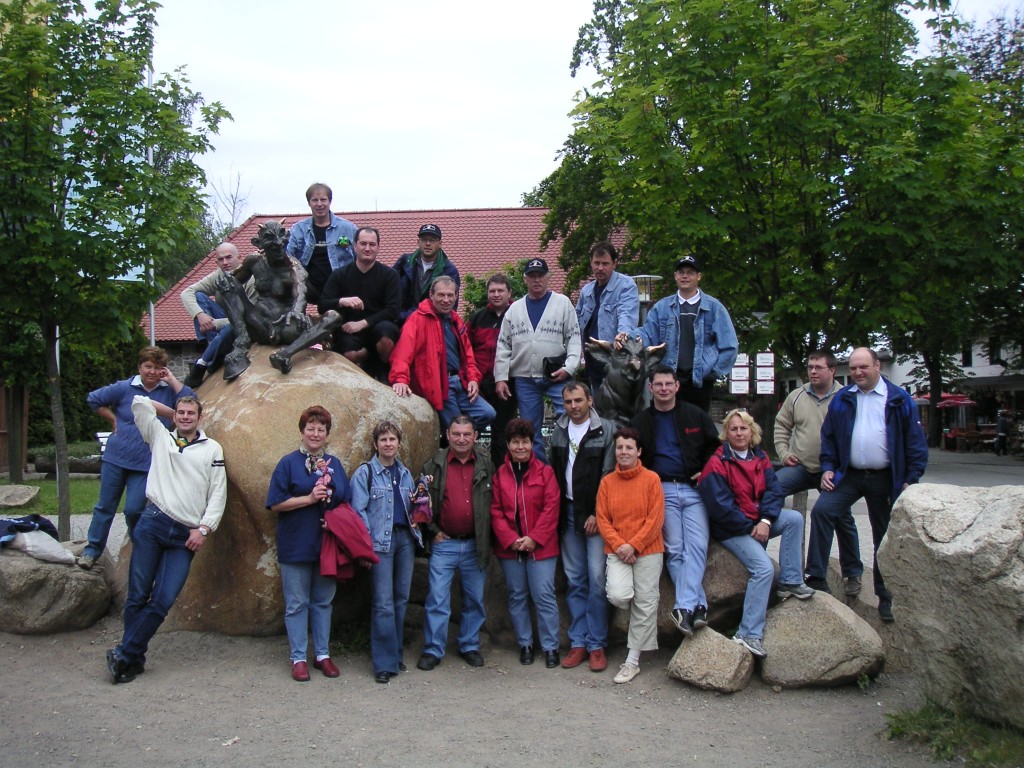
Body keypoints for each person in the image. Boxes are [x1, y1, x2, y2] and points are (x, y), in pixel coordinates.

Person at [104, 394, 226, 684]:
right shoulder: (159, 437)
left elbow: (218, 493)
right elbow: (137, 403)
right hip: (153, 523)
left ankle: (125, 653)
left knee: (163, 599)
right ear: (174, 416)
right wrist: (170, 410)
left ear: (201, 417)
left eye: (191, 413)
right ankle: (131, 660)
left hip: (185, 534)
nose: (185, 417)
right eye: (181, 413)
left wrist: (205, 528)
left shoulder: (212, 449)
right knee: (137, 595)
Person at [808, 347, 929, 623]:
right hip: (848, 474)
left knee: (882, 535)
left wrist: (911, 478)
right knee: (823, 511)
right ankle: (816, 578)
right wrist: (827, 468)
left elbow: (915, 443)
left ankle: (885, 596)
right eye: (852, 368)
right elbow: (828, 437)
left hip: (886, 476)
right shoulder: (844, 399)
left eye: (863, 367)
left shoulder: (898, 399)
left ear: (877, 366)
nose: (857, 373)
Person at [699, 409, 815, 659]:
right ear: (726, 433)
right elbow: (720, 506)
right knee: (763, 569)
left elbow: (774, 492)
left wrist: (764, 520)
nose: (739, 433)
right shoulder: (717, 463)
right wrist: (751, 527)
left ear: (752, 431)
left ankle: (791, 581)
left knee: (794, 518)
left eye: (743, 428)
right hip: (733, 529)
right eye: (733, 429)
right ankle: (748, 632)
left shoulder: (760, 458)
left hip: (757, 521)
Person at [79, 346, 193, 571]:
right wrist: (113, 418)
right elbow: (93, 399)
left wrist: (171, 379)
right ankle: (92, 550)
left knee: (134, 509)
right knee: (105, 507)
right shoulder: (124, 388)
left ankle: (136, 542)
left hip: (146, 461)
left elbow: (191, 401)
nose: (151, 371)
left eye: (157, 368)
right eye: (147, 366)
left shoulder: (167, 392)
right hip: (116, 457)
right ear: (139, 366)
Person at [631, 366, 719, 635]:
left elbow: (715, 447)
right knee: (676, 549)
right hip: (662, 490)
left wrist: (704, 470)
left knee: (698, 546)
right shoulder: (641, 421)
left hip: (693, 490)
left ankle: (685, 608)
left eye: (669, 384)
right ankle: (697, 606)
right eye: (659, 384)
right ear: (651, 388)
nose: (664, 389)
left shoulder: (694, 414)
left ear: (677, 387)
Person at [266, 405, 351, 682]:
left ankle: (323, 654)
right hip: (296, 542)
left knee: (323, 601)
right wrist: (309, 499)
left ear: (327, 435)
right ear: (302, 431)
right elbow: (276, 503)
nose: (315, 434)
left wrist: (334, 520)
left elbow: (345, 501)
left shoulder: (335, 465)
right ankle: (298, 657)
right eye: (311, 428)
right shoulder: (288, 464)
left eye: (321, 429)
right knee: (296, 603)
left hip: (326, 544)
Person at [773, 350, 861, 595]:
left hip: (833, 470)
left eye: (818, 367)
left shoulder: (846, 397)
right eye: (810, 367)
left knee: (840, 515)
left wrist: (840, 468)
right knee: (770, 489)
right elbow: (781, 425)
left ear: (832, 370)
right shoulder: (797, 396)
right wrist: (783, 452)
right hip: (801, 466)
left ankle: (852, 572)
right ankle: (761, 547)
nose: (813, 371)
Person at [416, 416, 495, 671]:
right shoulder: (433, 466)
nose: (461, 439)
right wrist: (433, 530)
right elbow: (420, 503)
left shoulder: (487, 465)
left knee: (474, 599)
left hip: (476, 544)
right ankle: (433, 649)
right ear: (447, 435)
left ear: (475, 437)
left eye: (467, 434)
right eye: (456, 434)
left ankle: (469, 645)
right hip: (444, 544)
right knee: (437, 598)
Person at [547, 382, 615, 672]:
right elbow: (553, 473)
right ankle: (578, 642)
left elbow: (609, 474)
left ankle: (597, 644)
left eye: (578, 400)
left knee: (597, 580)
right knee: (575, 579)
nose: (573, 406)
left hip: (594, 516)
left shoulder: (605, 429)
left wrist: (598, 514)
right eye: (567, 402)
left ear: (590, 400)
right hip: (569, 513)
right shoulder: (559, 430)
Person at [351, 421, 420, 684]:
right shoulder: (365, 474)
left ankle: (396, 654)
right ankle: (382, 662)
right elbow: (358, 512)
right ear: (376, 444)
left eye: (392, 439)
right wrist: (366, 546)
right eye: (383, 440)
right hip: (380, 543)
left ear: (399, 444)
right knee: (382, 603)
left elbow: (412, 506)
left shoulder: (404, 473)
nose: (388, 444)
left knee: (401, 599)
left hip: (405, 540)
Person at [491, 418, 562, 668]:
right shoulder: (500, 475)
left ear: (532, 444)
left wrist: (534, 538)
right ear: (508, 445)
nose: (520, 447)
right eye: (515, 442)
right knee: (517, 595)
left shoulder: (545, 472)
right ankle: (525, 644)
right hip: (510, 548)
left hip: (541, 548)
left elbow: (552, 507)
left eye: (525, 442)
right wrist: (510, 539)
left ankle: (551, 646)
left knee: (543, 595)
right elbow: (496, 510)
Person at [625, 254, 737, 412]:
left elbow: (730, 346)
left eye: (690, 272)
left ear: (699, 276)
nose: (685, 276)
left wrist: (713, 373)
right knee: (666, 428)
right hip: (668, 381)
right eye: (681, 272)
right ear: (675, 276)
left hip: (700, 383)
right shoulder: (662, 307)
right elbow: (647, 334)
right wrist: (626, 337)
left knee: (695, 432)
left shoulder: (714, 308)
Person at [596, 427, 664, 684]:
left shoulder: (652, 480)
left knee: (645, 604)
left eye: (629, 448)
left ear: (639, 451)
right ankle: (637, 615)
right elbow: (603, 519)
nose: (623, 452)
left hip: (647, 549)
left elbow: (655, 519)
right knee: (618, 594)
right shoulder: (607, 483)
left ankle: (632, 661)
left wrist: (634, 545)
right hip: (618, 549)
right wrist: (621, 546)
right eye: (620, 448)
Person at [494, 258, 582, 457]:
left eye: (540, 276)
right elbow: (503, 345)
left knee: (569, 418)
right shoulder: (514, 309)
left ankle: (568, 463)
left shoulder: (562, 303)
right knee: (530, 431)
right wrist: (501, 377)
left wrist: (569, 368)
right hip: (525, 378)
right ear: (525, 279)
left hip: (557, 375)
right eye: (532, 276)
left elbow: (574, 338)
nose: (536, 280)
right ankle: (538, 474)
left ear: (548, 277)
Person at [390, 276, 496, 432]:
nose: (446, 299)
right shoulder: (418, 319)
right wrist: (400, 379)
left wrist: (473, 378)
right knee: (458, 428)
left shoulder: (455, 319)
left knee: (488, 414)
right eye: (441, 295)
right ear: (431, 295)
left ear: (456, 296)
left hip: (461, 383)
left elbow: (468, 356)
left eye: (450, 295)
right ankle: (456, 443)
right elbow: (403, 353)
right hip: (439, 384)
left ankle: (455, 441)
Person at [317, 226, 401, 378]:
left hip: (379, 328)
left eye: (372, 244)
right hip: (348, 332)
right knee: (349, 354)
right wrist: (342, 301)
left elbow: (393, 310)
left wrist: (363, 323)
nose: (367, 248)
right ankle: (366, 360)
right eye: (363, 244)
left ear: (378, 247)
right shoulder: (339, 275)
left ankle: (382, 371)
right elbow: (322, 305)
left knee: (386, 339)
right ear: (355, 246)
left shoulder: (390, 276)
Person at [180, 242, 258, 388]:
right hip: (223, 323)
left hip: (244, 325)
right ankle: (213, 346)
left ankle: (202, 362)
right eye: (221, 259)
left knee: (230, 328)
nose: (225, 262)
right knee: (199, 296)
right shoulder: (218, 276)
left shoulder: (251, 279)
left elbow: (249, 316)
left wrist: (215, 323)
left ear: (238, 257)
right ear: (216, 262)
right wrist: (200, 314)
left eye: (229, 258)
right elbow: (186, 293)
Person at [575, 242, 639, 392]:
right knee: (598, 410)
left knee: (618, 410)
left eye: (605, 263)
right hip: (592, 362)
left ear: (614, 264)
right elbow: (576, 322)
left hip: (616, 362)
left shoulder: (626, 286)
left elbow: (626, 314)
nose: (600, 268)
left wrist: (622, 335)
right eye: (596, 263)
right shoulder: (586, 291)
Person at [467, 273, 518, 466]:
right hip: (480, 383)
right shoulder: (478, 318)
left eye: (500, 291)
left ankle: (502, 475)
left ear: (509, 293)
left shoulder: (517, 316)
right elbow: (466, 349)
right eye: (492, 291)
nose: (496, 294)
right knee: (473, 430)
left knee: (503, 433)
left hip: (507, 382)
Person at [285, 182, 357, 305]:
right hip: (310, 287)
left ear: (330, 201)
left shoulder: (348, 228)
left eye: (323, 200)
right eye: (315, 200)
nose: (319, 204)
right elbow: (288, 255)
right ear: (309, 203)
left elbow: (359, 257)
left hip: (340, 286)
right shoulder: (298, 229)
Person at [394, 223, 460, 322]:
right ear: (418, 242)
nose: (428, 243)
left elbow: (450, 306)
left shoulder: (449, 270)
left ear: (440, 243)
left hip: (433, 322)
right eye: (424, 239)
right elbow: (389, 289)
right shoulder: (404, 263)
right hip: (402, 320)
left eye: (432, 240)